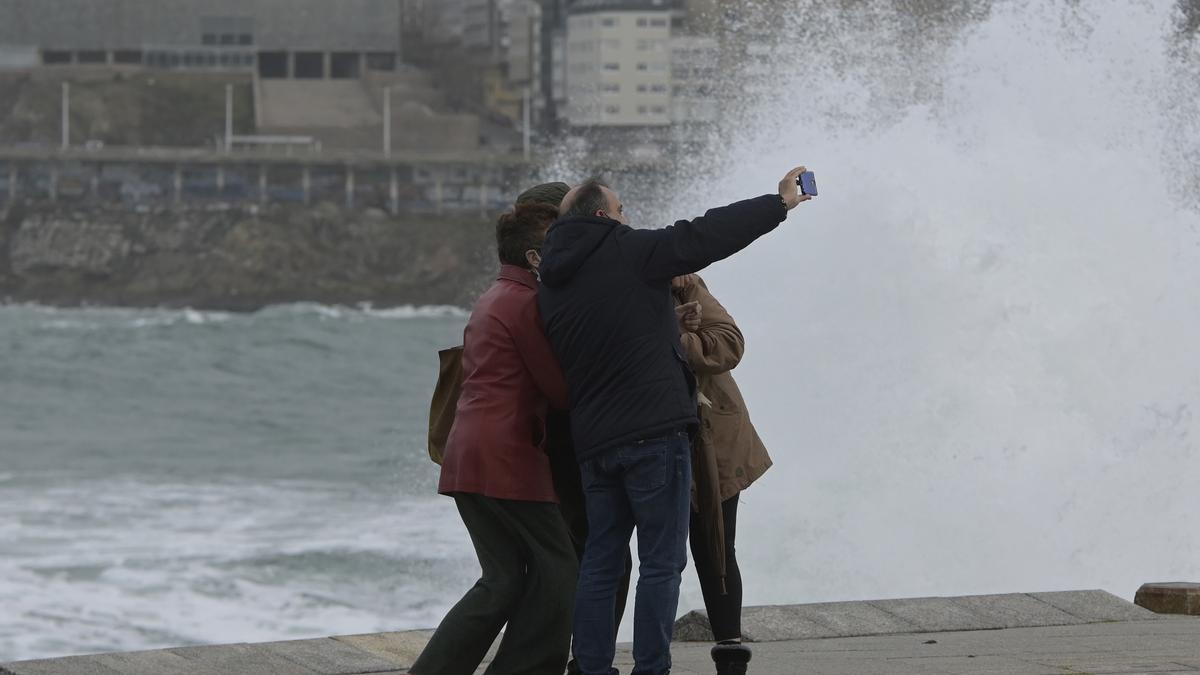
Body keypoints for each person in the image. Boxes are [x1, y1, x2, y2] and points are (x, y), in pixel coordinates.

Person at [537, 167, 813, 675]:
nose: (626, 218)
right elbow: (704, 233)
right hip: (653, 434)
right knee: (661, 564)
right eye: (621, 211)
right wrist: (777, 205)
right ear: (602, 216)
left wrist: (670, 322)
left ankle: (592, 666)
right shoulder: (631, 251)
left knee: (601, 559)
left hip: (595, 443)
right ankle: (651, 668)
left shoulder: (552, 283)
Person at [409, 200, 577, 675]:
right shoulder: (524, 304)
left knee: (502, 579)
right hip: (506, 456)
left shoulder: (494, 296)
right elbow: (559, 388)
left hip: (469, 453)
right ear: (534, 258)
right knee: (559, 569)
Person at [672, 273, 771, 675]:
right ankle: (595, 656)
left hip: (710, 432)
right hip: (644, 431)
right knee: (624, 556)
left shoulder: (681, 281)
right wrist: (672, 331)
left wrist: (684, 340)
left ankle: (730, 651)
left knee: (715, 546)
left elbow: (729, 343)